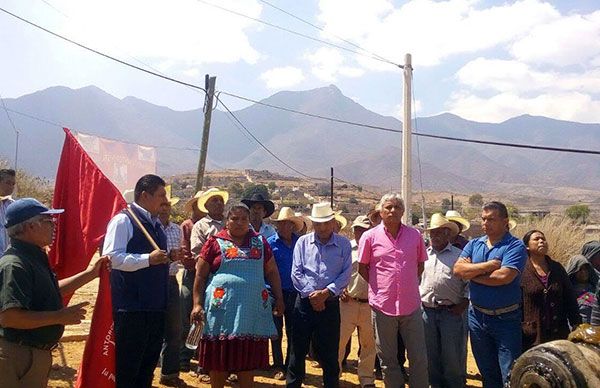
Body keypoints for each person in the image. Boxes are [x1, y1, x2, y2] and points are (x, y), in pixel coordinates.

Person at [0, 198, 108, 387]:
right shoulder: (15, 264)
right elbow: (10, 317)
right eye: (48, 221)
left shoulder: (31, 257)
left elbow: (49, 291)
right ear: (30, 227)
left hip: (31, 354)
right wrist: (59, 316)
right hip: (18, 355)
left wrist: (90, 274)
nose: (54, 226)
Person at [190, 203, 284, 388]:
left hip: (251, 312)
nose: (239, 223)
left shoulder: (260, 242)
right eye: (234, 219)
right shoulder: (214, 242)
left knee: (247, 361)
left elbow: (272, 271)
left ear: (249, 221)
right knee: (219, 358)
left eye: (243, 219)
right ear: (227, 221)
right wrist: (197, 304)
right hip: (220, 312)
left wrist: (279, 298)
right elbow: (200, 275)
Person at [103, 174, 181, 388]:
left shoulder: (156, 225)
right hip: (131, 308)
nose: (165, 200)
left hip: (155, 307)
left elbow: (155, 259)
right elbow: (111, 258)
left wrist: (170, 256)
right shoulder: (123, 220)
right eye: (161, 195)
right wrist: (148, 259)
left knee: (146, 368)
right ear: (145, 195)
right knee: (128, 368)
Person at [453, 201, 528, 388]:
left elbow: (503, 277)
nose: (486, 223)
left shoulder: (515, 246)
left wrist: (472, 274)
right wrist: (487, 267)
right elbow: (457, 270)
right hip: (477, 317)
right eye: (484, 219)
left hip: (506, 319)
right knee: (487, 372)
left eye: (491, 219)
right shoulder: (474, 243)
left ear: (505, 221)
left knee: (509, 374)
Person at [358, 193, 429, 388]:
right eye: (388, 207)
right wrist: (381, 288)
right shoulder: (369, 237)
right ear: (380, 211)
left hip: (411, 305)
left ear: (403, 212)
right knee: (388, 361)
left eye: (397, 207)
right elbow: (363, 267)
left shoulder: (415, 235)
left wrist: (406, 284)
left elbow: (420, 265)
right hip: (383, 308)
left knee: (419, 358)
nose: (393, 211)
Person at [287, 202, 352, 388]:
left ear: (333, 222)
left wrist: (326, 293)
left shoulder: (343, 245)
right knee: (297, 352)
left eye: (325, 223)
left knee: (330, 355)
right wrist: (312, 295)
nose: (322, 227)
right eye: (318, 223)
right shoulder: (302, 242)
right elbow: (296, 273)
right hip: (304, 305)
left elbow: (346, 274)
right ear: (313, 223)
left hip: (330, 306)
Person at [420, 213, 468, 388]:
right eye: (432, 232)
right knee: (430, 355)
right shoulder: (424, 255)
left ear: (448, 234)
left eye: (439, 232)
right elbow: (417, 280)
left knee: (452, 357)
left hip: (451, 312)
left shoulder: (460, 256)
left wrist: (464, 303)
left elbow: (469, 283)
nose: (435, 236)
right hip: (427, 312)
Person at [183, 188, 228, 373]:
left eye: (220, 200)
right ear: (206, 205)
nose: (218, 203)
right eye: (214, 200)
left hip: (227, 281)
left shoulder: (231, 223)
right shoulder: (200, 226)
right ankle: (202, 364)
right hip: (207, 279)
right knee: (202, 321)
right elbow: (197, 254)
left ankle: (224, 364)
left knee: (223, 322)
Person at [520, 230, 581, 351]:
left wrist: (576, 323)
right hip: (532, 336)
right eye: (536, 239)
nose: (541, 241)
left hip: (558, 332)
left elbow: (570, 298)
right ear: (527, 246)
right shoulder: (521, 270)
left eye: (543, 239)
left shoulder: (557, 268)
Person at [338, 215, 376, 388]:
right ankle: (334, 374)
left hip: (370, 304)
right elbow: (337, 271)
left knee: (368, 344)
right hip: (348, 302)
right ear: (354, 230)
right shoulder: (347, 248)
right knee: (339, 341)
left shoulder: (377, 249)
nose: (361, 232)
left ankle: (367, 378)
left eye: (365, 229)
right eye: (358, 229)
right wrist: (339, 290)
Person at [267, 207, 304, 380]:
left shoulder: (301, 243)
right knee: (276, 330)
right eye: (280, 224)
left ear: (292, 225)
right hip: (275, 292)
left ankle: (291, 365)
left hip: (296, 293)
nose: (283, 227)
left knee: (294, 330)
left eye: (287, 223)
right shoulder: (270, 243)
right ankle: (278, 365)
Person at [158, 187, 185, 386]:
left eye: (167, 205)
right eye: (162, 204)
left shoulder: (176, 230)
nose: (165, 208)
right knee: (151, 327)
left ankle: (169, 373)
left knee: (174, 328)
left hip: (170, 281)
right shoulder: (147, 228)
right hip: (151, 282)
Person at [178, 190, 205, 372]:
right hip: (191, 274)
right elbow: (185, 253)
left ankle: (196, 354)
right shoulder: (187, 226)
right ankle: (184, 356)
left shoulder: (212, 225)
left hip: (205, 275)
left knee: (202, 318)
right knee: (187, 310)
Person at [566, 254, 598, 323]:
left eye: (586, 269)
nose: (584, 272)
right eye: (580, 269)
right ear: (574, 271)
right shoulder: (569, 292)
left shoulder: (595, 288)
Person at [0, 168, 16, 253]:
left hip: (7, 258)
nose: (11, 187)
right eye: (8, 183)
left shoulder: (14, 206)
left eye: (13, 184)